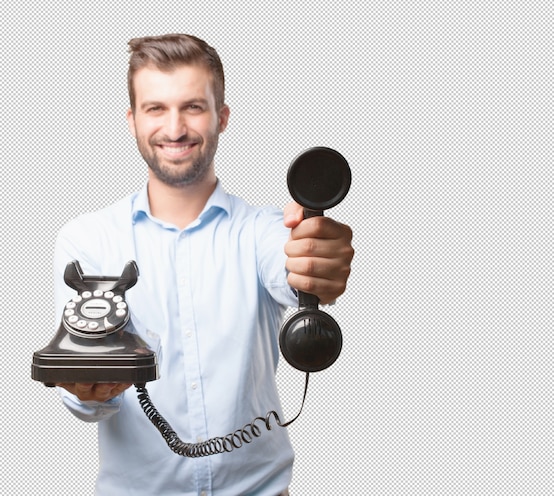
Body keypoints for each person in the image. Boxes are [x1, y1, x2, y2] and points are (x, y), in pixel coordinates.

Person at [53, 33, 354, 496]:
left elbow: (299, 270)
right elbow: (86, 397)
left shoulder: (264, 231)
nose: (174, 128)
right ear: (132, 120)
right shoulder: (86, 240)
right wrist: (88, 388)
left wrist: (318, 262)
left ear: (222, 117)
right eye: (156, 108)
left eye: (193, 107)